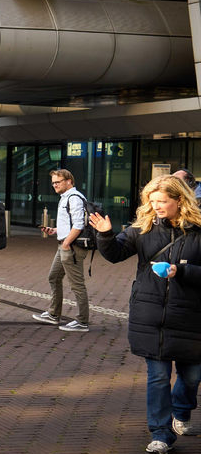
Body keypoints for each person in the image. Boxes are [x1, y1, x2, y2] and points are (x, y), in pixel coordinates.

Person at [90, 175, 201, 453]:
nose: (157, 206)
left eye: (162, 201)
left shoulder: (199, 231)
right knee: (159, 377)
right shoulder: (143, 228)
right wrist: (105, 234)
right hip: (151, 316)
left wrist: (182, 271)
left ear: (180, 200)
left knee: (191, 377)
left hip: (192, 317)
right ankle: (161, 434)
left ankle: (182, 409)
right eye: (152, 201)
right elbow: (115, 254)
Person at [32, 168, 91, 332]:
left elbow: (79, 224)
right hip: (65, 244)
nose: (55, 185)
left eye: (58, 182)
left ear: (69, 181)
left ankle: (82, 321)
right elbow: (71, 223)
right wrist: (56, 230)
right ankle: (53, 314)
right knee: (53, 277)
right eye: (53, 183)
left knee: (77, 284)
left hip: (71, 247)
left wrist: (66, 243)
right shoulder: (66, 197)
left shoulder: (74, 198)